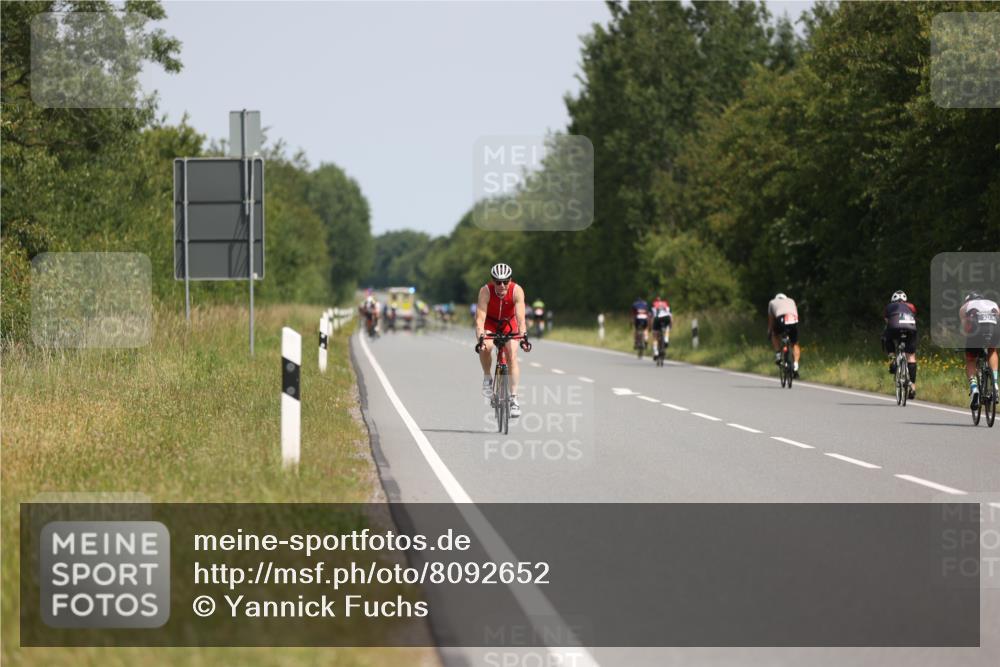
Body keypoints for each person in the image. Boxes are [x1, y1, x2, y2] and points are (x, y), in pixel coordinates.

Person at [474, 263, 530, 418]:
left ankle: (514, 398)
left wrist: (524, 336)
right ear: (493, 281)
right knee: (486, 346)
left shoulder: (516, 290)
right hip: (490, 323)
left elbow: (520, 318)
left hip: (508, 323)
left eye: (505, 281)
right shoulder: (485, 291)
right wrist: (481, 338)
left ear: (510, 280)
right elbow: (480, 319)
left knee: (512, 353)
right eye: (498, 282)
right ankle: (487, 377)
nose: (502, 285)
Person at [960, 291, 999, 410]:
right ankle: (996, 383)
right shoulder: (992, 303)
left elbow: (965, 327)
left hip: (976, 329)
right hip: (995, 327)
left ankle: (974, 388)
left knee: (970, 359)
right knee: (992, 350)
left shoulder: (965, 307)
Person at [881, 290, 918, 399]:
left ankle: (892, 359)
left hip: (894, 327)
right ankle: (912, 387)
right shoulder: (911, 306)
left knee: (887, 338)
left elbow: (887, 321)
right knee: (911, 357)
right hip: (910, 328)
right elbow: (914, 316)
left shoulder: (889, 307)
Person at [767, 293, 800, 378]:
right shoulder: (791, 300)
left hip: (781, 319)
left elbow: (771, 320)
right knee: (795, 343)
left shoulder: (772, 302)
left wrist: (770, 331)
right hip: (793, 319)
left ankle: (778, 354)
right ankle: (795, 365)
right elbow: (796, 313)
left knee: (775, 334)